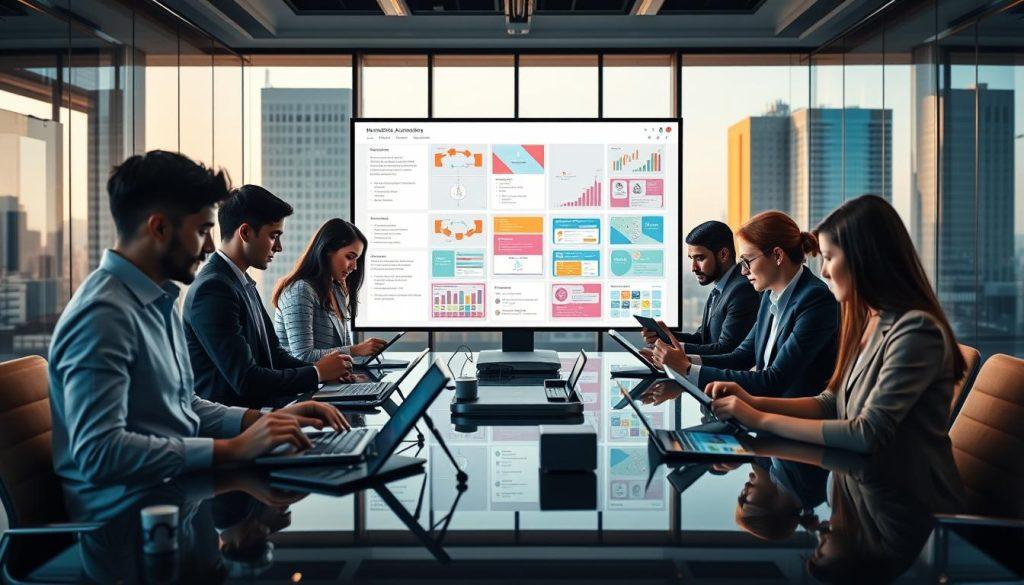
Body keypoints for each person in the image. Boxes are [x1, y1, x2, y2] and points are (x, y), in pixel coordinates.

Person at [48, 151, 348, 518]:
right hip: (130, 525)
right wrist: (232, 450)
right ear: (158, 228)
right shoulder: (102, 317)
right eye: (203, 230)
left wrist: (262, 421)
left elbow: (182, 404)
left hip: (177, 497)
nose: (209, 247)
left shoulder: (153, 300)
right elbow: (100, 453)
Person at [701, 195, 968, 508]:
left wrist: (759, 418)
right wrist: (751, 401)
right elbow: (831, 403)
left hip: (912, 512)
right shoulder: (867, 322)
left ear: (861, 259)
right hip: (866, 493)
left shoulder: (916, 332)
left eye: (829, 257)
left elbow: (866, 433)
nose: (824, 271)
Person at [183, 185, 353, 408]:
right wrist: (316, 373)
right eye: (274, 236)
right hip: (234, 429)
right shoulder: (214, 289)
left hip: (261, 416)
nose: (279, 247)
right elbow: (246, 380)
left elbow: (274, 355)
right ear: (245, 233)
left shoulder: (241, 283)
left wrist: (323, 373)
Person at [652, 210, 839, 398]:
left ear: (777, 256)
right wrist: (679, 361)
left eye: (747, 261)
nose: (742, 271)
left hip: (790, 420)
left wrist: (686, 369)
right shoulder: (769, 296)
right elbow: (741, 357)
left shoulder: (815, 300)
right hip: (762, 411)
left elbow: (774, 380)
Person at [272, 218, 387, 362]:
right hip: (304, 383)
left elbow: (344, 354)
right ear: (327, 250)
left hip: (329, 382)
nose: (355, 266)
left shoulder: (336, 290)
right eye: (349, 257)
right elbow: (302, 356)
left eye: (356, 259)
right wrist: (355, 350)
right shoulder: (300, 291)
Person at [640, 220, 759, 355]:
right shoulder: (719, 289)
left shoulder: (741, 290)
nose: (693, 268)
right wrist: (665, 337)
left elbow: (726, 349)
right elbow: (703, 339)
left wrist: (672, 350)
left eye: (700, 258)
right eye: (691, 258)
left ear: (723, 255)